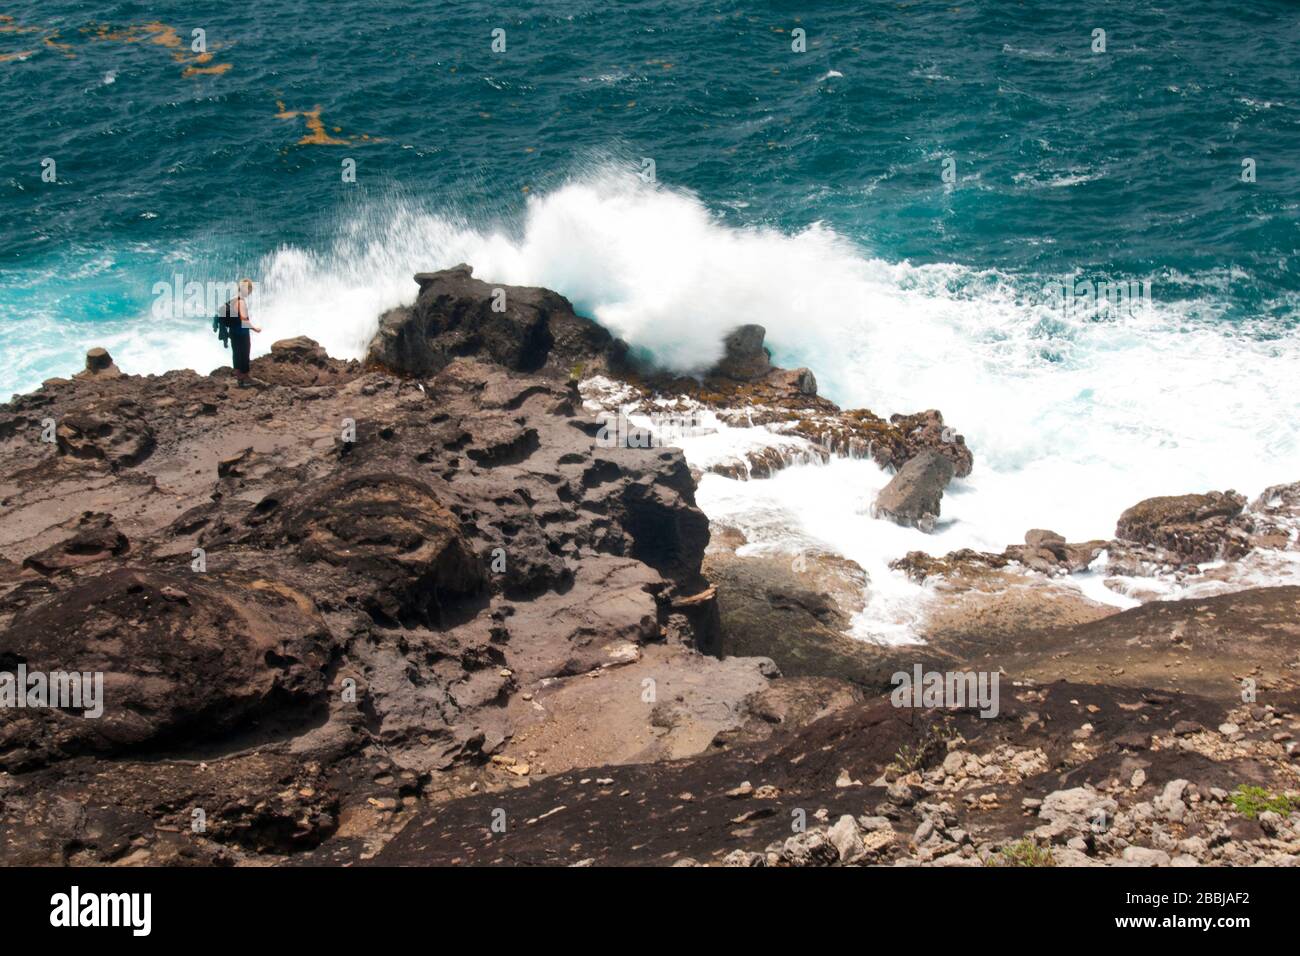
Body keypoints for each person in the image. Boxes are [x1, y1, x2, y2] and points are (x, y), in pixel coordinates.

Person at [222, 278, 261, 386]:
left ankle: (239, 378)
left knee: (237, 354)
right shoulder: (241, 302)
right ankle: (245, 377)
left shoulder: (234, 300)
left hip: (233, 333)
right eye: (250, 290)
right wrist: (255, 329)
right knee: (244, 354)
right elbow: (244, 320)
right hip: (241, 333)